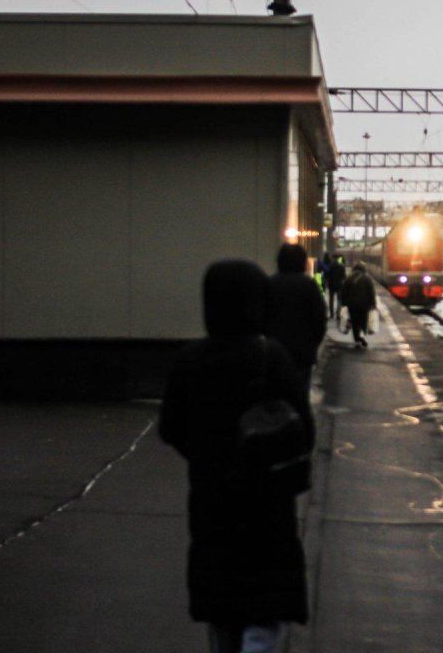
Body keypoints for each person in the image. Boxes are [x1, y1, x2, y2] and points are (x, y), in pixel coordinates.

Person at [160, 260, 314, 653]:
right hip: (267, 512)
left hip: (213, 509)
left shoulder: (189, 361)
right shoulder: (272, 357)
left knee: (223, 618)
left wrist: (206, 456)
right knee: (264, 619)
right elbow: (305, 431)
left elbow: (170, 428)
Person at [267, 243, 327, 391]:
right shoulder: (309, 286)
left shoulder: (269, 283)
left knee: (276, 393)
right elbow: (320, 320)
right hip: (302, 354)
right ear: (303, 262)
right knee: (299, 394)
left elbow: (260, 318)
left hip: (274, 353)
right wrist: (312, 344)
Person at [339, 261, 376, 349]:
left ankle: (357, 339)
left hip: (352, 305)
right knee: (363, 321)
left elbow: (343, 291)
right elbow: (371, 292)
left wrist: (343, 302)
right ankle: (361, 336)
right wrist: (373, 304)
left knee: (355, 322)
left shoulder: (349, 278)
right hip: (364, 305)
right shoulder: (367, 279)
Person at [324, 255, 346, 320]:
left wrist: (326, 283)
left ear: (333, 258)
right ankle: (338, 314)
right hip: (339, 286)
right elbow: (344, 277)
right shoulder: (341, 266)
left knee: (331, 300)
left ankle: (331, 314)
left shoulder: (330, 266)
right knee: (339, 300)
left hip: (331, 285)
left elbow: (327, 276)